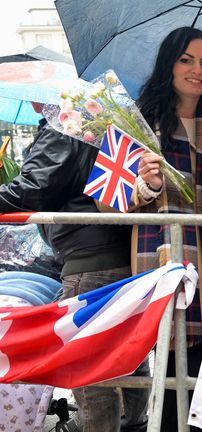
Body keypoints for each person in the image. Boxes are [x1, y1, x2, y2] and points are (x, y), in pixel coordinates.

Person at [0, 104, 149, 431]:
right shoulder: (106, 119)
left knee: (90, 370)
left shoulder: (66, 126)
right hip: (127, 256)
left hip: (88, 262)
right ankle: (135, 423)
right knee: (128, 356)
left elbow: (33, 189)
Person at [134, 26, 202, 432]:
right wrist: (146, 184)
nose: (196, 71)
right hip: (165, 260)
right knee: (169, 374)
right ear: (168, 65)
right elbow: (106, 199)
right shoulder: (141, 125)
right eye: (185, 60)